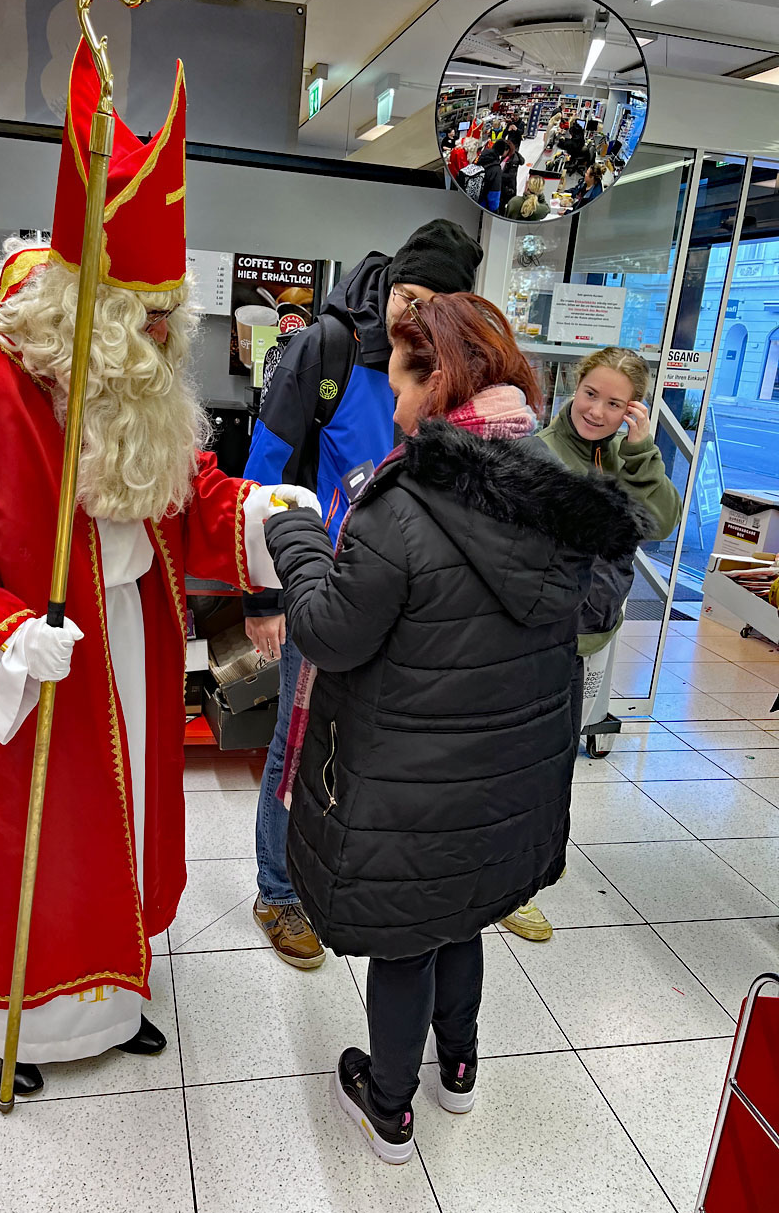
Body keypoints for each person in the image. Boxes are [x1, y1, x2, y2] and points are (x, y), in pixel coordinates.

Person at [0, 40, 301, 1096]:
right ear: (90, 310)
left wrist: (260, 510)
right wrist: (5, 632)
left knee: (120, 823)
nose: (164, 339)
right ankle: (0, 1015)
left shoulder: (136, 384)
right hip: (26, 670)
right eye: (145, 320)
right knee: (24, 840)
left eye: (172, 318)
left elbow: (185, 492)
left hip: (125, 642)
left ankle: (115, 1000)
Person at [262, 294, 649, 1163]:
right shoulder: (564, 496)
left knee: (406, 940)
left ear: (436, 381)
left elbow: (329, 632)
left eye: (397, 375)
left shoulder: (400, 508)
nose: (388, 397)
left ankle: (390, 1106)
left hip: (412, 781)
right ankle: (459, 1071)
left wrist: (293, 536)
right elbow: (592, 607)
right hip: (507, 779)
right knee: (465, 919)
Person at [243, 220, 484, 968]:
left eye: (439, 306)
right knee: (296, 742)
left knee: (385, 749)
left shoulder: (454, 358)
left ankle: (349, 875)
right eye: (410, 298)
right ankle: (278, 892)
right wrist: (262, 597)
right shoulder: (330, 347)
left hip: (413, 591)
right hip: (324, 584)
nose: (417, 320)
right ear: (392, 284)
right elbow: (265, 464)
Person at [502, 346, 682, 943]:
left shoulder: (626, 457)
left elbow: (658, 524)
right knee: (518, 765)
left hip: (591, 635)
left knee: (552, 767)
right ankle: (504, 883)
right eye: (590, 395)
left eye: (615, 403)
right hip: (534, 638)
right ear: (572, 389)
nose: (597, 411)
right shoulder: (540, 454)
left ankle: (519, 877)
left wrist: (641, 453)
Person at [458, 142, 503, 212]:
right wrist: (495, 211)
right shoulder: (496, 169)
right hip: (481, 208)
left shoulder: (476, 161)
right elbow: (494, 195)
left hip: (464, 204)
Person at [498, 136, 525, 216]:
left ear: (507, 150)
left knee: (504, 206)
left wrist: (498, 174)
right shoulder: (506, 157)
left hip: (508, 188)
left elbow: (511, 176)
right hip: (504, 186)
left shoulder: (513, 160)